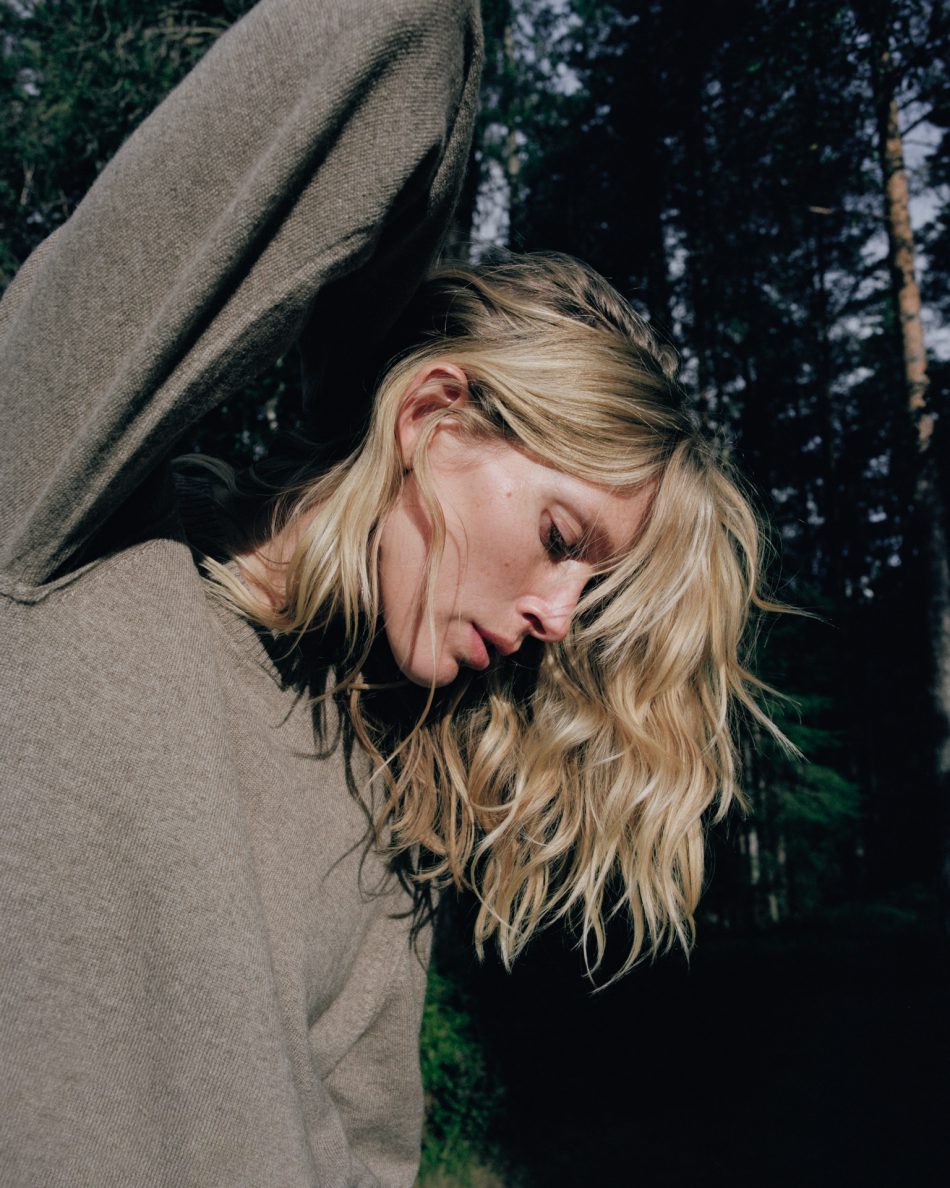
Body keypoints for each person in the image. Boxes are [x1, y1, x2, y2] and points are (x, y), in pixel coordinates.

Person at [0, 1, 781, 1185]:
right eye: (559, 537)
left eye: (589, 584)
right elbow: (390, 33)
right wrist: (362, 362)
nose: (558, 618)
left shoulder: (378, 784)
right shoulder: (62, 502)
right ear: (432, 417)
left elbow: (365, 1159)